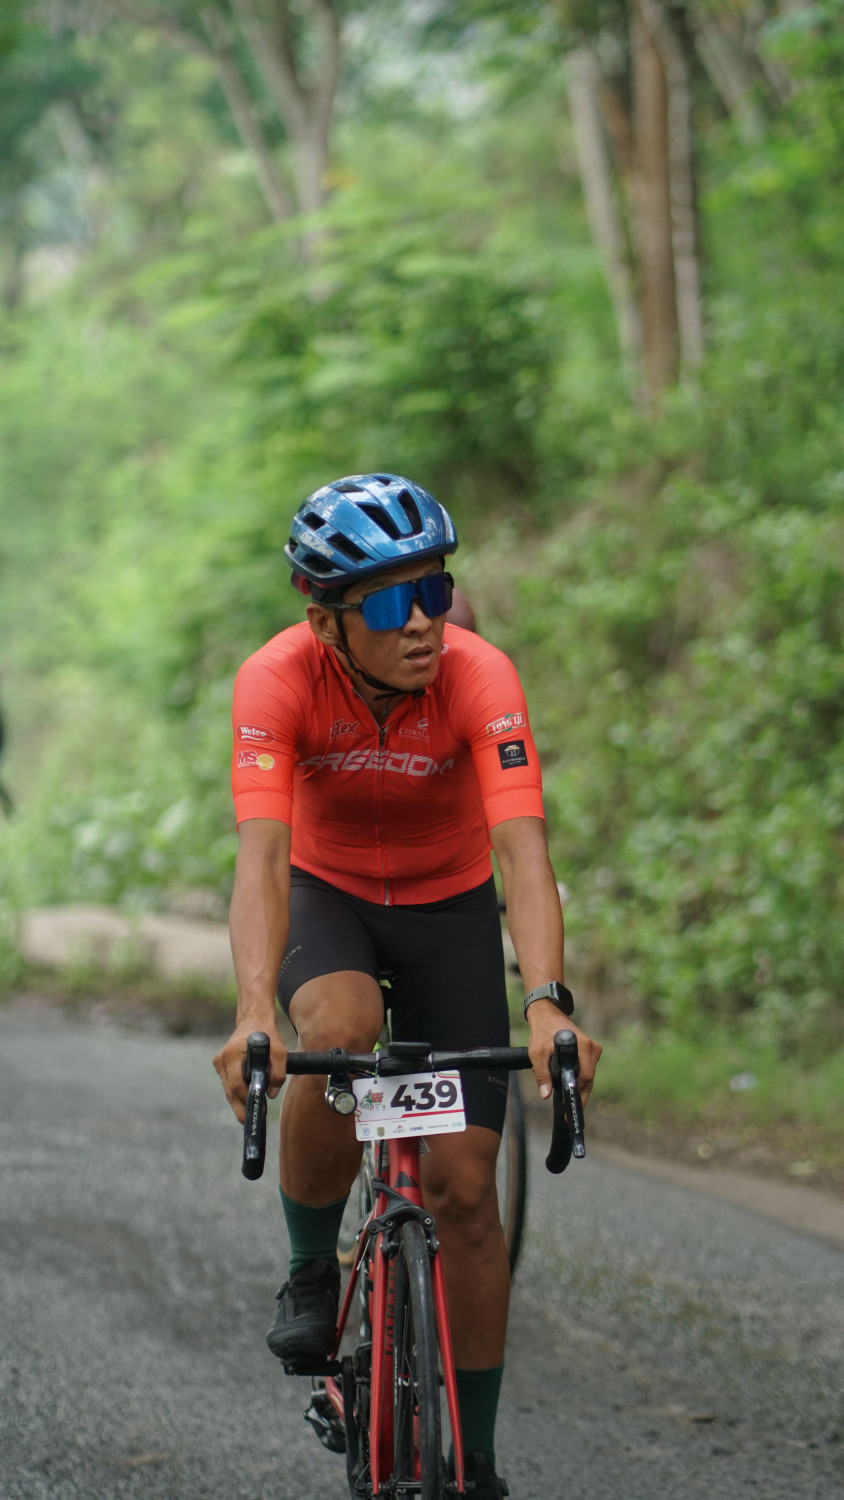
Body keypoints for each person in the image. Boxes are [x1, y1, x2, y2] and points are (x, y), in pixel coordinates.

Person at [213, 472, 601, 1499]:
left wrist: (547, 1003)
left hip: (448, 909)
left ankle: (473, 1461)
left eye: (434, 591)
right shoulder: (277, 679)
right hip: (327, 893)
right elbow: (262, 858)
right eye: (390, 604)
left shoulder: (480, 674)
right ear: (326, 621)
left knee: (466, 1193)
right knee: (340, 1024)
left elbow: (522, 852)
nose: (424, 621)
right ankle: (311, 1265)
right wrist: (253, 1014)